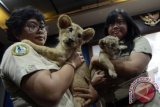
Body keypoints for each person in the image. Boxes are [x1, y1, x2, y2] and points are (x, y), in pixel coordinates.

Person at [0, 6, 97, 107]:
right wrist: (72, 63)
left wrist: (92, 92)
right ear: (17, 32)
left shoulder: (45, 58)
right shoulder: (19, 48)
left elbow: (67, 89)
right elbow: (50, 94)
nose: (40, 30)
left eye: (42, 26)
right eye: (33, 26)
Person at [90, 8, 160, 107]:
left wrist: (97, 60)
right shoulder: (104, 50)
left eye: (120, 22)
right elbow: (93, 93)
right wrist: (94, 84)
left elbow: (134, 68)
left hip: (143, 102)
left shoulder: (139, 41)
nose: (115, 26)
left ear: (128, 25)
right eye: (111, 24)